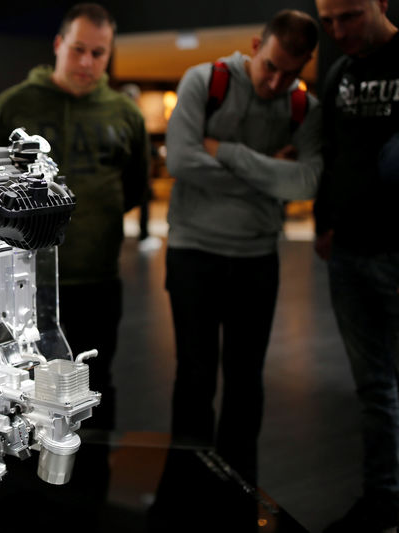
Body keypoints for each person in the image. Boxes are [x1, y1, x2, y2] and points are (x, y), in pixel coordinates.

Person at [160, 9, 322, 487]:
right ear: (256, 46)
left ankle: (237, 485)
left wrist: (226, 152)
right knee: (194, 376)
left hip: (257, 260)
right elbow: (183, 162)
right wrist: (270, 175)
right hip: (194, 253)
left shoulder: (303, 108)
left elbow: (307, 181)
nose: (276, 81)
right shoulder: (204, 80)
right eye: (271, 65)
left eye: (291, 72)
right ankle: (186, 484)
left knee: (246, 381)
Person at [0, 3, 150, 432]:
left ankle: (92, 486)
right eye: (78, 50)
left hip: (98, 278)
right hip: (21, 286)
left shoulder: (124, 113)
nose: (87, 62)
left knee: (94, 383)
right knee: (22, 388)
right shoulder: (13, 106)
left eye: (99, 53)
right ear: (58, 45)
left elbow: (134, 188)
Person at [312, 0, 399, 530]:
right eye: (328, 20)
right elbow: (333, 152)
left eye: (350, 15)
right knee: (373, 388)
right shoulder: (341, 71)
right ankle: (384, 501)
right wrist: (325, 222)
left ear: (383, 3)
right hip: (349, 255)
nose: (338, 30)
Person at [121, 83, 162, 253]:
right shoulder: (131, 117)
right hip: (129, 169)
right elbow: (141, 144)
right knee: (139, 202)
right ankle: (143, 236)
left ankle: (133, 236)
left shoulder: (122, 116)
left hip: (126, 168)